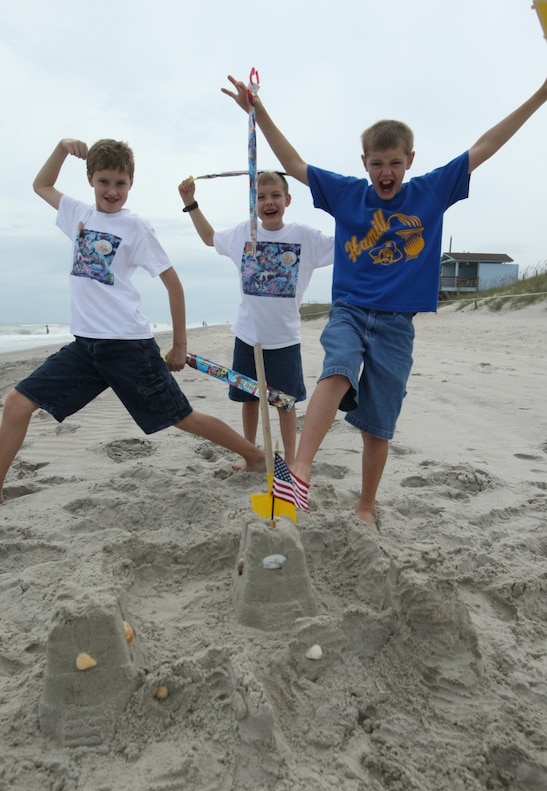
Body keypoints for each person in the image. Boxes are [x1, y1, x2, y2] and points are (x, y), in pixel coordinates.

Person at [222, 74, 547, 527]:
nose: (386, 172)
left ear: (409, 160)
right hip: (351, 311)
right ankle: (299, 470)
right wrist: (259, 112)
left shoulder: (430, 190)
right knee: (336, 369)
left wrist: (542, 92)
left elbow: (486, 144)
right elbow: (293, 162)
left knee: (378, 421)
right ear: (364, 162)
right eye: (377, 163)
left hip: (397, 324)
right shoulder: (348, 193)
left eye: (394, 162)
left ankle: (366, 505)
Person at [0, 138, 266, 504]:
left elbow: (173, 284)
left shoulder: (136, 227)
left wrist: (180, 344)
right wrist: (62, 148)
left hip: (128, 346)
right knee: (16, 402)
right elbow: (41, 185)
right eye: (104, 182)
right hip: (85, 347)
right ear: (90, 178)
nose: (112, 191)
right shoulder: (78, 213)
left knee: (182, 417)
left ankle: (254, 455)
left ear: (131, 184)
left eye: (120, 183)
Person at [178, 171, 333, 466]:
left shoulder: (304, 237)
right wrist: (191, 203)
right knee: (248, 398)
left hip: (285, 339)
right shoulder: (242, 234)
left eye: (275, 195)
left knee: (285, 404)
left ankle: (290, 458)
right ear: (253, 203)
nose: (268, 202)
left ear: (287, 200)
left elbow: (346, 245)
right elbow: (210, 238)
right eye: (260, 197)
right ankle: (250, 452)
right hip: (248, 336)